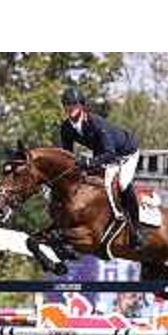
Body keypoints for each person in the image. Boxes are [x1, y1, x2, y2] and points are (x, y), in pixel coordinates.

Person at [59, 86, 143, 249]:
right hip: (103, 153)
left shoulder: (96, 123)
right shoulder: (66, 128)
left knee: (123, 184)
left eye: (74, 105)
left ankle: (135, 230)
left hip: (125, 153)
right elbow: (66, 156)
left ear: (81, 106)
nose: (70, 108)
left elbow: (110, 154)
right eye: (67, 105)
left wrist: (89, 163)